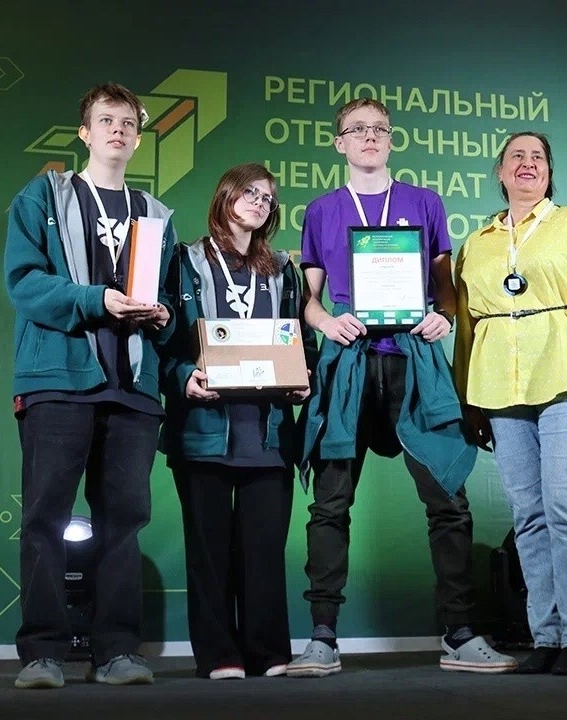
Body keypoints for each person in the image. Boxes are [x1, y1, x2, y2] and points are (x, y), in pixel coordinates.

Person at [286, 97, 517, 677]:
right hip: (349, 364)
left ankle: (459, 633)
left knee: (449, 501)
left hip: (414, 362)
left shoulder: (423, 201)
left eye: (379, 129)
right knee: (330, 504)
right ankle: (322, 638)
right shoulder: (321, 210)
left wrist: (445, 315)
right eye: (357, 129)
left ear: (391, 140)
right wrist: (325, 322)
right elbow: (309, 299)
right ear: (339, 142)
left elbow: (446, 288)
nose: (369, 137)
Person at [4, 83, 177, 688]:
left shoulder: (156, 214)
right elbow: (24, 282)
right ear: (85, 132)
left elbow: (169, 298)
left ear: (138, 137)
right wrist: (96, 299)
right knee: (45, 519)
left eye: (128, 123)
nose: (117, 131)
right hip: (58, 381)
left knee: (124, 522)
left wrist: (163, 314)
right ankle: (43, 653)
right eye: (106, 120)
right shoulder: (43, 195)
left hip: (131, 387)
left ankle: (118, 650)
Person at [452, 132, 567, 676]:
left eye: (538, 157)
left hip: (564, 379)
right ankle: (545, 636)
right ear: (500, 172)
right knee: (527, 515)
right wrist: (468, 397)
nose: (528, 164)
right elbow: (466, 327)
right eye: (517, 157)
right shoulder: (476, 242)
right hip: (498, 389)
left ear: (549, 172)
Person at [159, 163, 315, 680]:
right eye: (249, 192)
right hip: (203, 429)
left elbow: (303, 342)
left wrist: (304, 377)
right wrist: (183, 376)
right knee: (208, 551)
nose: (259, 202)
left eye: (268, 198)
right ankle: (218, 653)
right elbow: (160, 339)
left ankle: (268, 650)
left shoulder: (283, 270)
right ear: (225, 195)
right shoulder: (183, 262)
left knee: (264, 551)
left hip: (268, 434)